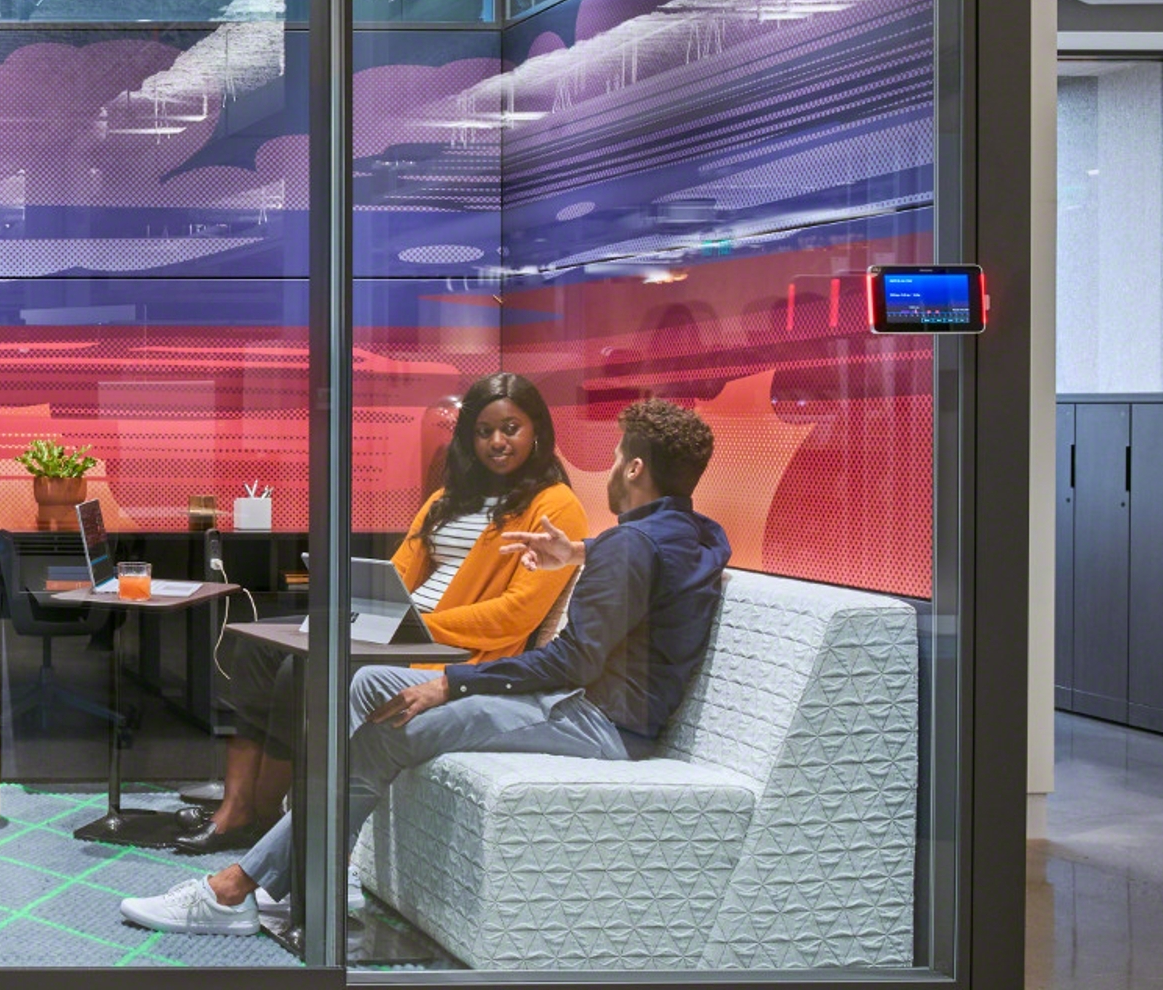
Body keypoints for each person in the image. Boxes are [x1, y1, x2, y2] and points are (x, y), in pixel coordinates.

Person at [121, 397, 726, 936]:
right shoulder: (696, 533)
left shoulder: (629, 544)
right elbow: (649, 563)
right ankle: (308, 862)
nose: (612, 469)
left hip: (594, 723)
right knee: (370, 682)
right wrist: (582, 551)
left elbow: (575, 660)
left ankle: (235, 889)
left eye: (617, 458)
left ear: (635, 469)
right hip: (591, 710)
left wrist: (452, 682)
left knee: (381, 737)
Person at [175, 372, 589, 856]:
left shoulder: (555, 506)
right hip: (399, 630)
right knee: (256, 647)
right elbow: (399, 572)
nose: (497, 441)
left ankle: (260, 814)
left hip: (454, 649)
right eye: (483, 431)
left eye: (510, 428)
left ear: (536, 430)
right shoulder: (446, 499)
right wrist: (375, 611)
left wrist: (417, 628)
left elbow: (516, 615)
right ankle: (237, 806)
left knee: (298, 669)